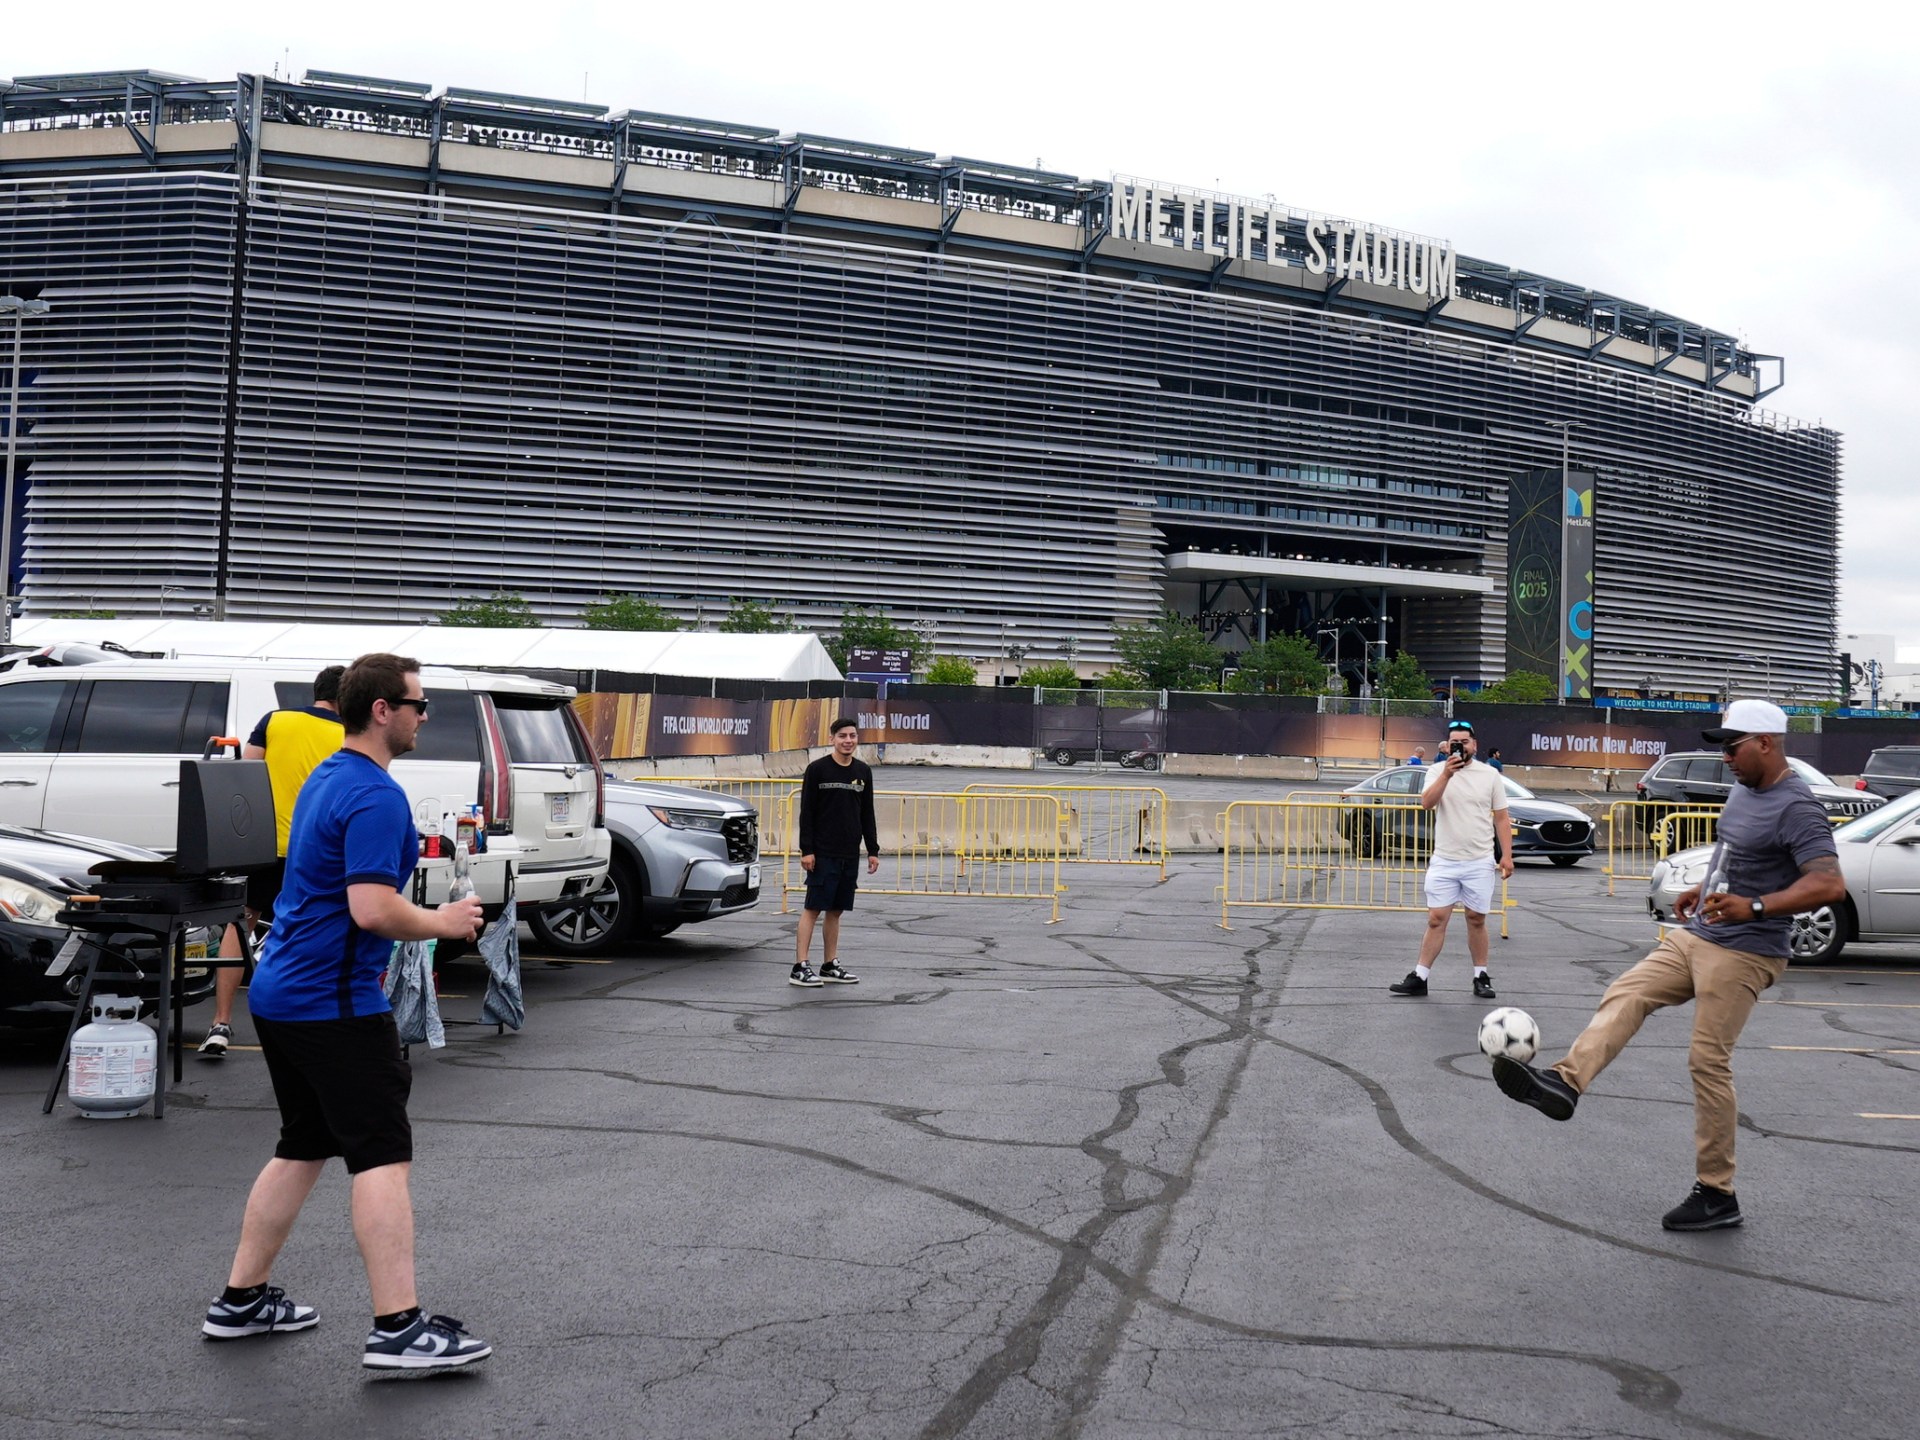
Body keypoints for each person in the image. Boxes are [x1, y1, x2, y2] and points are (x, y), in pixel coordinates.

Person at [201, 654, 492, 1370]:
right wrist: (445, 921)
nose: (425, 716)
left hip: (283, 992)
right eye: (418, 704)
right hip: (331, 1003)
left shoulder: (330, 776)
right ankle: (398, 1328)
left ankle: (241, 1301)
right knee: (382, 1155)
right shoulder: (375, 795)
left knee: (302, 1145)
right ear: (382, 710)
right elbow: (371, 908)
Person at [1491, 699, 1846, 1231]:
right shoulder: (1744, 790)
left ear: (1766, 743)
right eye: (1721, 747)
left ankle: (1717, 1194)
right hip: (1701, 932)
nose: (1725, 757)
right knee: (1628, 991)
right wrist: (1705, 886)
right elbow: (1738, 854)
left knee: (1707, 1061)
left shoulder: (1797, 806)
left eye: (1732, 746)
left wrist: (1754, 906)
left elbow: (1828, 883)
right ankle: (1565, 1082)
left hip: (1748, 949)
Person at [199, 664, 346, 1059]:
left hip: (264, 845)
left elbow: (245, 776)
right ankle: (301, 1027)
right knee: (307, 930)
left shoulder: (275, 720)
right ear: (346, 697)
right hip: (314, 850)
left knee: (241, 922)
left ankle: (220, 1023)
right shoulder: (349, 734)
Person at [1389, 720, 1512, 1000]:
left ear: (1474, 745)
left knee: (1476, 919)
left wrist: (1507, 856)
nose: (1460, 747)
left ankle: (1480, 976)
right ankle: (1420, 976)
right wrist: (1446, 774)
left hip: (1478, 859)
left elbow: (1502, 818)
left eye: (1465, 742)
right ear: (1447, 746)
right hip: (1445, 859)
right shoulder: (1436, 771)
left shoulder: (1490, 775)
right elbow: (1427, 803)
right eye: (1455, 742)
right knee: (1436, 918)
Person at [792, 716, 880, 988]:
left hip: (849, 854)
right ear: (832, 739)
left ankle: (829, 964)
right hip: (822, 853)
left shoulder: (863, 771)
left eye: (852, 736)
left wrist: (873, 849)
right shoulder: (817, 770)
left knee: (836, 910)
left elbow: (867, 813)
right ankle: (800, 966)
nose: (848, 741)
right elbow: (807, 812)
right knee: (813, 908)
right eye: (842, 736)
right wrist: (807, 850)